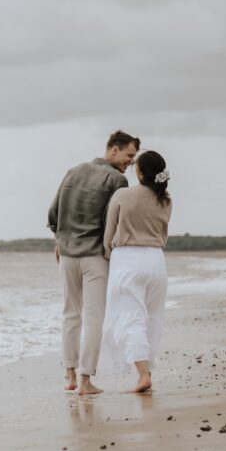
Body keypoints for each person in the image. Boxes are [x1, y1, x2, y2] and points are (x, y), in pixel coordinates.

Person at [47, 131, 140, 395]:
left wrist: (60, 240)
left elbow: (53, 214)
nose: (130, 162)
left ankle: (69, 375)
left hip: (66, 255)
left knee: (70, 315)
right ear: (114, 150)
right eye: (129, 155)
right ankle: (86, 381)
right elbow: (116, 222)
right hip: (95, 257)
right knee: (94, 318)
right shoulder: (117, 180)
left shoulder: (73, 172)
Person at [97, 150, 173, 393]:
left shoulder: (122, 195)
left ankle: (142, 376)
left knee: (131, 319)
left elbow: (108, 237)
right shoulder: (166, 201)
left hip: (128, 259)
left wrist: (109, 257)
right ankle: (146, 371)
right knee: (151, 318)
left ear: (139, 173)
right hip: (156, 261)